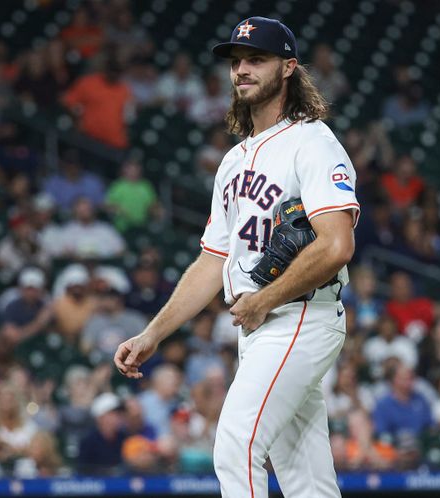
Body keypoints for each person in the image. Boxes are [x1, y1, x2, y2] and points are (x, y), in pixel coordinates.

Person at [114, 16, 359, 498]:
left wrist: (266, 298)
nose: (242, 69)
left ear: (289, 68)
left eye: (257, 59)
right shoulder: (233, 161)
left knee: (235, 444)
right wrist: (153, 333)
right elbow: (212, 261)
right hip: (262, 324)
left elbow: (336, 244)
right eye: (237, 61)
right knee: (306, 480)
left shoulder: (312, 142)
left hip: (299, 316)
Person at [77, 392, 126, 474]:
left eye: (118, 413)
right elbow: (83, 472)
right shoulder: (88, 442)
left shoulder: (125, 438)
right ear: (100, 417)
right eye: (112, 413)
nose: (117, 417)